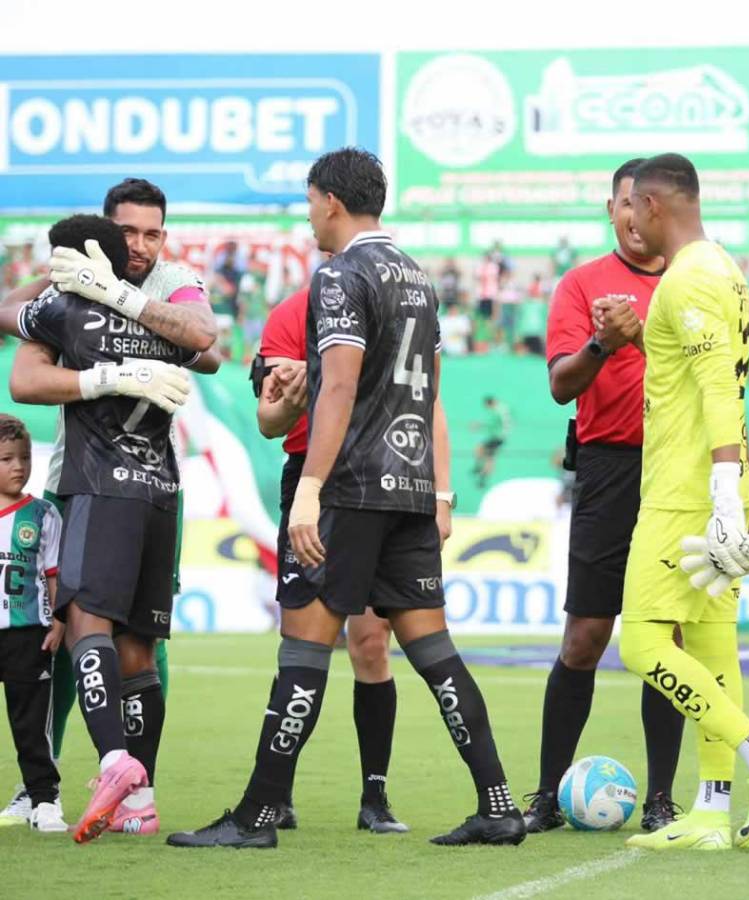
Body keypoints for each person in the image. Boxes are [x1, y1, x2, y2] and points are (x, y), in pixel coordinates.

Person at [166, 148, 524, 849]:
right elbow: (430, 394)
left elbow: (337, 388)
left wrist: (309, 492)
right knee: (434, 649)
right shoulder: (419, 279)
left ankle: (258, 817)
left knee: (304, 644)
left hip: (353, 491)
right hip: (411, 489)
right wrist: (439, 491)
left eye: (308, 203)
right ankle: (499, 802)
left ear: (330, 200)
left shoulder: (340, 275)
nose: (308, 217)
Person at [0, 177, 220, 835]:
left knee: (98, 631)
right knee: (78, 639)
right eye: (129, 232)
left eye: (154, 233)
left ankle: (122, 770)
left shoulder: (167, 283)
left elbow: (205, 339)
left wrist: (105, 299)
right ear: (105, 229)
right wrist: (60, 276)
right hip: (128, 484)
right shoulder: (70, 288)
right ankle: (75, 789)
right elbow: (200, 346)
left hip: (106, 486)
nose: (142, 245)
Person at [616, 153, 749, 852]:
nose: (627, 218)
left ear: (655, 205)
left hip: (685, 492)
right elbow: (717, 376)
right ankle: (708, 809)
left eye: (630, 206)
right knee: (711, 646)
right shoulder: (723, 269)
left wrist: (727, 492)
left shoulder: (690, 275)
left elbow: (714, 387)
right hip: (713, 482)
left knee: (640, 642)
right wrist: (746, 479)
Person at [251, 284, 456, 834]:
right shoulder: (291, 314)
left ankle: (375, 798)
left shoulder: (394, 304)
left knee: (370, 645)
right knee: (302, 648)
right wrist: (296, 391)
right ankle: (276, 796)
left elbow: (430, 402)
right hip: (315, 491)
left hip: (381, 490)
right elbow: (269, 423)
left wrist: (441, 494)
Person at [521, 158, 684, 836]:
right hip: (611, 470)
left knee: (666, 641)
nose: (634, 214)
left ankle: (662, 798)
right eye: (624, 202)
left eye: (645, 203)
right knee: (586, 635)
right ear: (614, 209)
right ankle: (544, 794)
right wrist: (601, 341)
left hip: (678, 471)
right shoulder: (583, 284)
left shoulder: (694, 280)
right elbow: (562, 383)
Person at [0, 415, 66, 832]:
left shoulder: (42, 515)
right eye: (7, 459)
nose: (19, 466)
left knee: (30, 726)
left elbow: (53, 574)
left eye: (24, 457)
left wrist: (58, 621)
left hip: (28, 633)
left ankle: (44, 800)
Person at [471, 396, 509, 489]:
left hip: (496, 438)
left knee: (488, 457)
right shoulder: (502, 408)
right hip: (497, 437)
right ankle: (480, 471)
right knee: (484, 453)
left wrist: (477, 425)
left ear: (489, 404)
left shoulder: (497, 411)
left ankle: (481, 475)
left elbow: (490, 423)